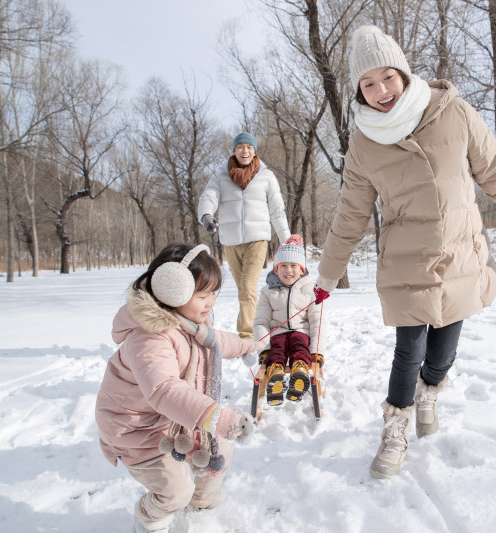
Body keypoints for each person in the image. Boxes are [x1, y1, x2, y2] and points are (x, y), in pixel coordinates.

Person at [312, 26, 496, 480]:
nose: (380, 92)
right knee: (408, 350)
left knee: (442, 353)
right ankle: (395, 430)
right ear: (358, 91)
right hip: (406, 259)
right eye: (367, 84)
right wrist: (326, 275)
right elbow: (351, 214)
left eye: (387, 78)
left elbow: (493, 170)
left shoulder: (453, 112)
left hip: (458, 252)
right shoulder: (363, 141)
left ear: (403, 73)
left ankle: (430, 392)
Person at [94, 243, 263, 533]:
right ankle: (150, 519)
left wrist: (249, 346)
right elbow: (164, 390)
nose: (210, 302)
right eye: (202, 295)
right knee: (174, 491)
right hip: (136, 429)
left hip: (173, 420)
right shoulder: (149, 337)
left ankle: (202, 501)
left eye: (213, 293)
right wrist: (218, 417)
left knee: (220, 451)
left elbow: (218, 341)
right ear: (172, 291)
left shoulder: (191, 323)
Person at [198, 132, 291, 339]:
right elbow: (209, 196)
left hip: (257, 239)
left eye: (249, 147)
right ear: (234, 150)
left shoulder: (266, 175)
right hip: (231, 241)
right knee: (243, 290)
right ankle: (262, 323)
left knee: (247, 288)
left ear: (254, 150)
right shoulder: (221, 174)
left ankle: (248, 335)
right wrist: (206, 215)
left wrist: (286, 240)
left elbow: (277, 209)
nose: (245, 150)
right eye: (240, 147)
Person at [254, 234, 326, 405]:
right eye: (283, 266)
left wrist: (317, 352)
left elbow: (318, 322)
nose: (288, 270)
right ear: (275, 269)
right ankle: (276, 376)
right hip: (277, 332)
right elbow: (261, 322)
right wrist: (263, 349)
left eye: (294, 265)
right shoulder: (267, 292)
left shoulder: (311, 290)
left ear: (302, 269)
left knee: (299, 344)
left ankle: (300, 370)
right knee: (277, 348)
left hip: (302, 332)